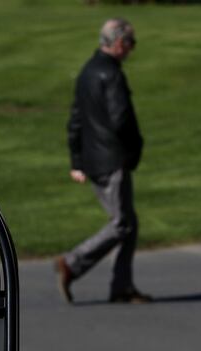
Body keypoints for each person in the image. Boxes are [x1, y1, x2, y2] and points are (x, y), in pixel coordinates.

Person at [55, 18, 150, 304]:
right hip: (112, 158)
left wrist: (76, 159)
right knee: (121, 224)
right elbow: (121, 120)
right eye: (131, 43)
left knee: (129, 223)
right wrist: (136, 147)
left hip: (94, 158)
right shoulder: (111, 75)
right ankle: (72, 263)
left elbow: (75, 120)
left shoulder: (87, 71)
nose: (132, 49)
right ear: (119, 43)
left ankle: (122, 286)